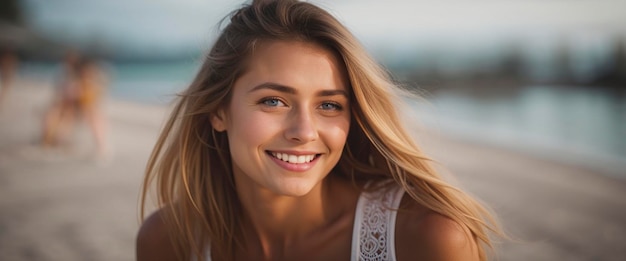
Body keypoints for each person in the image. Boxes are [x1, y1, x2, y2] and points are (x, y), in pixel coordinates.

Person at [137, 1, 502, 260]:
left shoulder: (426, 239)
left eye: (329, 105)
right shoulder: (169, 242)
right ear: (219, 111)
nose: (304, 131)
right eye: (274, 101)